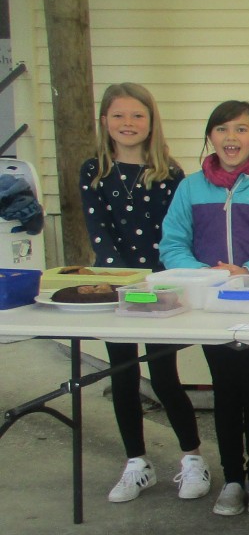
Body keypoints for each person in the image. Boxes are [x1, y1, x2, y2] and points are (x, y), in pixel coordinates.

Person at [160, 101, 249, 517]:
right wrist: (206, 276)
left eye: (241, 129)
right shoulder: (190, 188)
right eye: (222, 129)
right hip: (211, 309)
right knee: (224, 391)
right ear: (210, 136)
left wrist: (247, 272)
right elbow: (172, 244)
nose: (231, 137)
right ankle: (231, 480)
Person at [80, 83, 208, 504]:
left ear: (151, 122)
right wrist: (126, 283)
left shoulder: (169, 173)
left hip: (162, 288)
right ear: (105, 121)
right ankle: (137, 463)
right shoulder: (93, 171)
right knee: (123, 376)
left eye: (137, 115)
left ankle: (192, 457)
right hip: (119, 288)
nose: (128, 123)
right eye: (118, 115)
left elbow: (177, 233)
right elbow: (101, 233)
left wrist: (162, 283)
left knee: (165, 376)